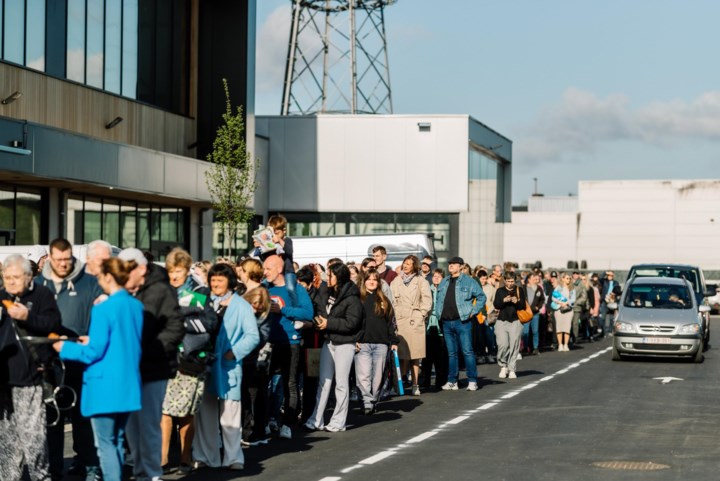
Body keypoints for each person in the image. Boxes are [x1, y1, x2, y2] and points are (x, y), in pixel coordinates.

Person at [53, 257, 144, 481]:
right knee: (118, 441)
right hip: (128, 383)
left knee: (104, 445)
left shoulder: (104, 309)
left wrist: (64, 347)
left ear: (108, 277)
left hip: (104, 386)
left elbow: (93, 351)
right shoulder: (135, 305)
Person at [37, 238, 104, 481]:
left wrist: (93, 335)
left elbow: (103, 315)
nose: (64, 264)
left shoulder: (89, 283)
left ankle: (89, 465)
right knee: (52, 417)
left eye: (67, 260)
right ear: (51, 258)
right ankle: (53, 468)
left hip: (81, 359)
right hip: (50, 362)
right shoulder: (38, 284)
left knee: (83, 416)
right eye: (58, 260)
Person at [119, 248, 184, 481]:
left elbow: (175, 328)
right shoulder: (125, 291)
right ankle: (140, 471)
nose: (123, 275)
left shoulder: (161, 290)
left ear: (142, 269)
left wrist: (147, 349)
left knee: (148, 424)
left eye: (128, 270)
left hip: (153, 368)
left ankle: (152, 473)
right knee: (131, 427)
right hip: (129, 369)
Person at [193, 264, 259, 471]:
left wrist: (235, 352)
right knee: (205, 413)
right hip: (206, 364)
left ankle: (233, 457)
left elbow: (253, 335)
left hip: (229, 367)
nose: (215, 284)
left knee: (230, 414)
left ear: (229, 281)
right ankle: (205, 456)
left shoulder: (241, 305)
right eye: (213, 280)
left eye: (220, 280)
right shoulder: (204, 300)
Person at [0, 255, 61, 481]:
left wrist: (28, 316)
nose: (11, 282)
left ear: (28, 276)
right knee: (7, 442)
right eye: (7, 277)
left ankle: (41, 477)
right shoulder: (1, 296)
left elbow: (54, 325)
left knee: (33, 439)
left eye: (16, 277)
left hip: (30, 379)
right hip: (3, 382)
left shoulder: (42, 295)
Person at [161, 248, 218, 474]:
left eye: (179, 271)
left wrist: (178, 319)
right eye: (171, 271)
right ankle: (162, 460)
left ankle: (185, 457)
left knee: (186, 412)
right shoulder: (163, 291)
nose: (174, 276)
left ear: (187, 270)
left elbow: (210, 324)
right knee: (163, 412)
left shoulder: (200, 291)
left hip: (191, 360)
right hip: (165, 360)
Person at [304, 263, 362, 432]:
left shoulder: (352, 297)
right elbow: (321, 310)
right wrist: (319, 321)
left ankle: (338, 421)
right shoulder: (327, 293)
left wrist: (328, 323)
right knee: (323, 382)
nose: (326, 278)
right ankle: (316, 419)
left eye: (330, 275)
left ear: (339, 277)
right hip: (328, 341)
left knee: (341, 383)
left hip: (345, 343)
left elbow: (352, 323)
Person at [263, 255, 314, 439]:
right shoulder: (264, 287)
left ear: (278, 269)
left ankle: (287, 424)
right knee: (265, 384)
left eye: (268, 268)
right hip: (268, 342)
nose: (265, 272)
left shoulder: (295, 289)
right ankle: (267, 421)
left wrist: (283, 310)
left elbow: (308, 313)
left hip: (290, 343)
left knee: (289, 383)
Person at [435, 256, 486, 391]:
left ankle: (472, 380)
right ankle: (452, 381)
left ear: (461, 266)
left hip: (462, 321)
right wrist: (439, 313)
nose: (450, 265)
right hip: (446, 322)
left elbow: (481, 297)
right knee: (452, 353)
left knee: (467, 351)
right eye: (450, 263)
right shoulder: (444, 281)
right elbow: (439, 300)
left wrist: (473, 311)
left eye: (454, 264)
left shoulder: (469, 281)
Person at [355, 269, 398, 414]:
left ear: (378, 283)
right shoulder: (358, 299)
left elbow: (390, 323)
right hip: (363, 343)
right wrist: (354, 339)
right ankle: (367, 403)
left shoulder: (384, 301)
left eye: (375, 279)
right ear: (364, 281)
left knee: (378, 377)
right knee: (363, 375)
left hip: (381, 344)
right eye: (369, 279)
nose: (372, 282)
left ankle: (373, 400)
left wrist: (394, 341)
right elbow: (354, 321)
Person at [390, 255, 432, 396]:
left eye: (409, 263)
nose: (406, 266)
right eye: (404, 263)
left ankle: (415, 384)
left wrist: (421, 315)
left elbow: (427, 300)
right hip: (400, 320)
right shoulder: (396, 281)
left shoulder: (421, 281)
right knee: (401, 355)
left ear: (415, 266)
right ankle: (399, 384)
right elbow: (391, 301)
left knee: (415, 355)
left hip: (414, 321)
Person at [240, 287, 273, 445]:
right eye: (253, 304)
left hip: (254, 359)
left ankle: (255, 430)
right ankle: (248, 429)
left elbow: (261, 338)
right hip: (244, 358)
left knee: (256, 395)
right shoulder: (240, 308)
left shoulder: (264, 316)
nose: (256, 308)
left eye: (259, 305)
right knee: (246, 395)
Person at [493, 271, 526, 379]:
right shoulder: (500, 291)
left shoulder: (519, 290)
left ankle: (512, 369)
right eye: (508, 281)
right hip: (502, 321)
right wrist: (504, 300)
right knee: (502, 345)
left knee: (514, 345)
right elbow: (496, 304)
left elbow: (523, 306)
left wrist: (516, 301)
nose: (510, 283)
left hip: (515, 321)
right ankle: (503, 366)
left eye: (512, 281)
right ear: (505, 281)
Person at [420, 268, 448, 390]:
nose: (436, 278)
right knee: (427, 356)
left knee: (440, 356)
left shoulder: (445, 290)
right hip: (427, 326)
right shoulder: (427, 289)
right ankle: (425, 380)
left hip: (440, 327)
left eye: (439, 277)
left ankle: (440, 381)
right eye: (434, 276)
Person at [523, 272, 545, 355]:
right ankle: (525, 347)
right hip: (526, 313)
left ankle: (535, 348)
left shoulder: (538, 288)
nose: (535, 281)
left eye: (536, 279)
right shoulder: (523, 288)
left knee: (535, 331)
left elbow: (542, 299)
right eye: (533, 279)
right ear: (529, 280)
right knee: (525, 332)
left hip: (535, 313)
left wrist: (538, 307)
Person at [552, 273, 574, 352]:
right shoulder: (558, 288)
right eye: (567, 278)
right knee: (559, 327)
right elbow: (553, 297)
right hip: (559, 310)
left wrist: (566, 303)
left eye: (569, 278)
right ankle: (560, 344)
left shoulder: (571, 288)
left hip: (568, 310)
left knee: (567, 328)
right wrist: (560, 303)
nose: (569, 280)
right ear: (563, 279)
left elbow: (573, 299)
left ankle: (566, 344)